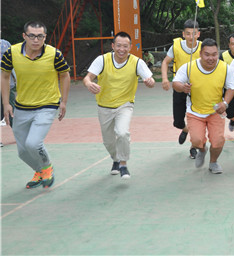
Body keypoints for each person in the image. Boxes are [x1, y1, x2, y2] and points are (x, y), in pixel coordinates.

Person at [1, 21, 70, 189]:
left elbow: (64, 75)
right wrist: (6, 104)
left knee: (33, 143)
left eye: (40, 36)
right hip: (22, 106)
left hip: (47, 105)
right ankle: (39, 171)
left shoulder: (54, 54)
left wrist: (63, 101)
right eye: (32, 36)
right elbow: (4, 76)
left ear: (45, 37)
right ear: (24, 36)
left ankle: (47, 168)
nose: (36, 40)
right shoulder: (12, 53)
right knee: (23, 152)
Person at [83, 32, 155, 179]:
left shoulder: (137, 62)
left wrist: (150, 82)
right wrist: (89, 84)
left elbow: (150, 80)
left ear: (130, 47)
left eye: (125, 46)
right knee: (108, 141)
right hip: (104, 105)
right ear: (113, 46)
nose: (122, 49)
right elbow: (87, 78)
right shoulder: (102, 60)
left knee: (122, 133)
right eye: (119, 45)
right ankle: (115, 159)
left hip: (125, 104)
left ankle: (123, 164)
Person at [172, 39, 234, 174]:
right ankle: (202, 149)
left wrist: (225, 103)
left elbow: (232, 87)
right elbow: (175, 83)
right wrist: (183, 87)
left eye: (214, 54)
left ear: (218, 53)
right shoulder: (188, 67)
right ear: (200, 54)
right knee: (197, 141)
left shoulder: (225, 68)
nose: (211, 58)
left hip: (215, 112)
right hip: (195, 112)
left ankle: (213, 162)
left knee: (218, 142)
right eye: (207, 54)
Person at [161, 19, 201, 159]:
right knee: (178, 121)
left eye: (194, 33)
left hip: (197, 88)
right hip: (179, 86)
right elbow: (165, 62)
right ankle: (185, 129)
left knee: (196, 118)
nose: (191, 36)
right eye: (188, 33)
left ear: (198, 34)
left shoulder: (203, 48)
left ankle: (193, 147)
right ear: (183, 34)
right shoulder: (176, 46)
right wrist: (165, 79)